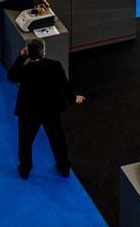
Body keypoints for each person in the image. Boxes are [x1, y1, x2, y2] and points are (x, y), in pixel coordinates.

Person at [9, 38, 85, 179]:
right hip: (51, 110)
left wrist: (21, 57)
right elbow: (64, 86)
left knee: (25, 141)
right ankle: (63, 167)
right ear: (43, 52)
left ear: (28, 53)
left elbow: (11, 75)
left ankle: (25, 169)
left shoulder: (25, 70)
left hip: (29, 112)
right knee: (57, 139)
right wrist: (74, 98)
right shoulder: (55, 66)